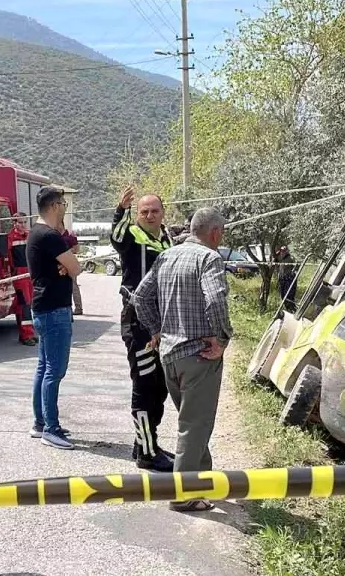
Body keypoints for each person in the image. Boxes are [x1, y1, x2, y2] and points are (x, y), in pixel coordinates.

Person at [133, 207, 233, 512]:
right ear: (215, 233)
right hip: (198, 356)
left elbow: (139, 296)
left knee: (194, 423)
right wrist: (222, 338)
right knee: (194, 424)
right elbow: (215, 298)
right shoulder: (209, 258)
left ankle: (204, 484)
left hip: (170, 358)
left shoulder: (168, 255)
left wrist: (157, 331)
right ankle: (184, 495)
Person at [109, 186, 174, 472]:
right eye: (144, 211)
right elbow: (117, 238)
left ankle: (146, 442)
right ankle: (146, 453)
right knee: (145, 386)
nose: (149, 215)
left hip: (162, 324)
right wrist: (120, 211)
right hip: (138, 322)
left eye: (154, 211)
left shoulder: (168, 238)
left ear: (163, 213)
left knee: (160, 387)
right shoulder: (132, 236)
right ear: (137, 214)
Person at [26, 186, 82, 450]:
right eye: (63, 204)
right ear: (55, 206)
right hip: (54, 309)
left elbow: (68, 266)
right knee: (54, 371)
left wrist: (66, 265)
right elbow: (75, 267)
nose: (64, 209)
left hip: (42, 307)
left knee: (43, 367)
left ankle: (40, 422)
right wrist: (67, 265)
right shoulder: (49, 235)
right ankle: (51, 428)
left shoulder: (37, 233)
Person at [7, 218, 38, 346]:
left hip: (31, 272)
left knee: (29, 303)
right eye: (20, 222)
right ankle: (26, 335)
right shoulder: (11, 237)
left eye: (24, 222)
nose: (23, 225)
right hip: (20, 274)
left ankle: (28, 333)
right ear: (14, 223)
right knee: (24, 304)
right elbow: (8, 257)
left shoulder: (29, 235)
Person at [62, 227, 84, 315]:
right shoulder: (57, 234)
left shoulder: (69, 236)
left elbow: (77, 249)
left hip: (69, 262)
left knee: (73, 286)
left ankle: (78, 308)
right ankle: (69, 308)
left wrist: (67, 251)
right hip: (62, 263)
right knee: (67, 286)